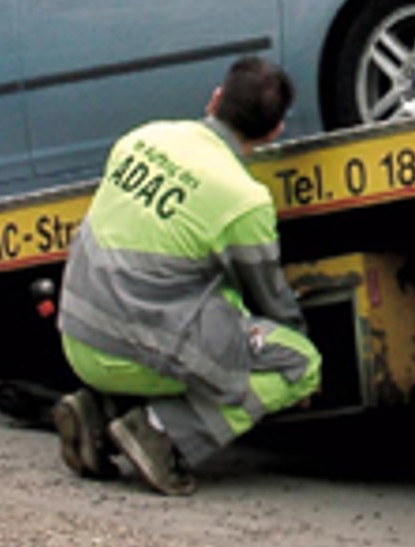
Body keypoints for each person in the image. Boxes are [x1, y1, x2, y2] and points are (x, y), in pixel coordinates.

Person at [53, 56, 322, 495]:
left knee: (196, 301)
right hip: (132, 355)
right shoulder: (244, 200)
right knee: (300, 364)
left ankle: (100, 412)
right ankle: (159, 433)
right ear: (275, 131)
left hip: (77, 336)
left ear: (215, 98)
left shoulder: (142, 138)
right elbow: (270, 300)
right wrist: (291, 348)